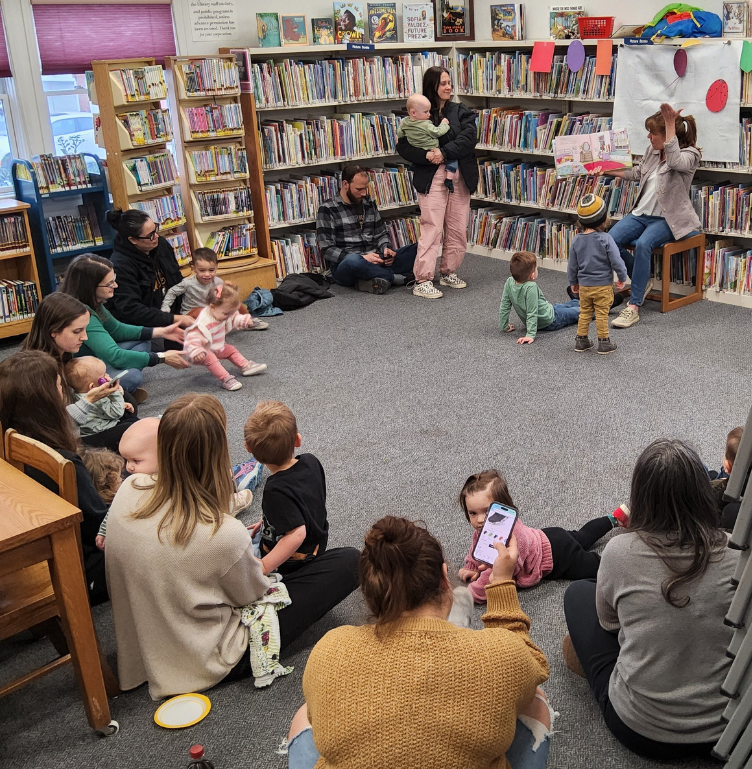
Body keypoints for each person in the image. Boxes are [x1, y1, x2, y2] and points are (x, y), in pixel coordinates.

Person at [105, 393, 360, 700]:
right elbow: (252, 593)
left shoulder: (129, 489)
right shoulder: (222, 533)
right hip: (210, 656)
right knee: (348, 561)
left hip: (146, 638)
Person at [286, 516, 553, 769]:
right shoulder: (497, 655)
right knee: (533, 698)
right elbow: (532, 664)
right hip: (485, 653)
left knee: (307, 712)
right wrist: (502, 583)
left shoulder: (331, 649)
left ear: (368, 592)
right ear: (443, 576)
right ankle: (452, 626)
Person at [563, 439, 738, 760]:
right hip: (729, 729)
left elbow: (609, 623)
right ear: (703, 492)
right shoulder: (735, 551)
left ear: (640, 497)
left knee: (578, 593)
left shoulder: (619, 552)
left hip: (642, 731)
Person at [0, 350, 108, 604]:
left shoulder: (12, 442)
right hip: (82, 565)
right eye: (60, 385)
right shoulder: (63, 462)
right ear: (48, 398)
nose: (64, 391)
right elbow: (99, 525)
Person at [458, 470, 626, 603]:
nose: (479, 520)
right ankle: (616, 518)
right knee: (582, 536)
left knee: (596, 567)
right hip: (548, 535)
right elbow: (477, 547)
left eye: (487, 511)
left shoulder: (515, 538)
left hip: (558, 555)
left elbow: (498, 573)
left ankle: (626, 563)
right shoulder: (485, 528)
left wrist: (470, 594)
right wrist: (471, 567)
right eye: (473, 513)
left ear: (505, 507)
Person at [604, 103, 701, 329]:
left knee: (645, 243)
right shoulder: (652, 151)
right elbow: (638, 173)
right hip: (641, 214)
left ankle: (634, 306)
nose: (649, 137)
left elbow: (675, 161)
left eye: (653, 133)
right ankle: (641, 278)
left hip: (668, 219)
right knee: (610, 239)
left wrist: (669, 126)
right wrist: (607, 169)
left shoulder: (691, 155)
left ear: (667, 134)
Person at [23, 292, 141, 453]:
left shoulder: (63, 353)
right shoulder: (39, 370)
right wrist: (91, 398)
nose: (84, 337)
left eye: (85, 329)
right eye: (77, 331)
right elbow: (58, 426)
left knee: (128, 403)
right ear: (54, 331)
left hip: (81, 418)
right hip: (64, 437)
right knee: (134, 428)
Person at [396, 66, 478, 299]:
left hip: (459, 175)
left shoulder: (461, 110)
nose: (448, 87)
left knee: (457, 226)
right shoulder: (418, 112)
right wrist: (427, 156)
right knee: (432, 227)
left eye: (450, 82)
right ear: (432, 85)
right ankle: (422, 279)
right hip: (432, 176)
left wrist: (443, 151)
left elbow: (469, 138)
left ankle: (448, 271)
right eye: (443, 83)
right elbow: (403, 146)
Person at [59, 254, 189, 395]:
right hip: (83, 371)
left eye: (113, 280)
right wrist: (161, 357)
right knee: (132, 377)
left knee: (144, 343)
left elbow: (117, 329)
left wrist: (161, 332)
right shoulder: (83, 315)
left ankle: (119, 381)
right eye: (109, 283)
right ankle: (112, 392)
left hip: (99, 357)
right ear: (91, 287)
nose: (115, 285)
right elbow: (114, 355)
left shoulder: (92, 301)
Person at [244, 401, 329, 574]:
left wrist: (265, 565)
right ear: (298, 440)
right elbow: (303, 500)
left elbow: (297, 534)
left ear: (248, 449)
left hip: (295, 559)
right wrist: (269, 519)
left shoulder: (275, 490)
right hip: (318, 542)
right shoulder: (310, 461)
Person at [315, 164, 417, 294]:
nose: (364, 193)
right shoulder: (328, 209)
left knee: (419, 248)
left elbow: (381, 233)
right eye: (359, 189)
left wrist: (386, 248)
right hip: (348, 264)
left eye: (365, 188)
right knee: (354, 261)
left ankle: (373, 278)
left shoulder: (369, 203)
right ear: (345, 184)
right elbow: (327, 249)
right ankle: (396, 278)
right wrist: (363, 257)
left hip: (376, 258)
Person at [105, 208, 193, 329]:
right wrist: (174, 319)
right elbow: (132, 310)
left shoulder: (160, 244)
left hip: (173, 311)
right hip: (146, 326)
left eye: (155, 229)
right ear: (133, 240)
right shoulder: (120, 266)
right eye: (150, 235)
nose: (156, 236)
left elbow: (176, 279)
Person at [567, 194, 628, 355]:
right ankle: (604, 342)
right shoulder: (606, 239)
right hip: (602, 286)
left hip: (585, 287)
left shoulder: (576, 240)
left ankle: (581, 340)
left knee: (585, 312)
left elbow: (572, 265)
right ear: (603, 219)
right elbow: (617, 261)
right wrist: (622, 277)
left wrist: (573, 281)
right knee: (602, 313)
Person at [184, 281, 267, 391]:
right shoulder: (204, 322)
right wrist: (196, 351)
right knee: (210, 357)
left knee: (231, 349)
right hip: (199, 352)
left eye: (231, 313)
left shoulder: (224, 313)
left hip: (216, 346)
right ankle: (226, 379)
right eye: (226, 314)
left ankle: (246, 366)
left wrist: (245, 321)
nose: (228, 316)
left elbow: (234, 318)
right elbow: (192, 338)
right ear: (212, 307)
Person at [160, 247, 262, 322]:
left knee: (238, 304)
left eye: (211, 270)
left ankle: (249, 321)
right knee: (202, 311)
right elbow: (172, 292)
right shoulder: (188, 283)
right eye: (202, 270)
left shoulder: (217, 281)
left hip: (212, 310)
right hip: (191, 314)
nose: (207, 274)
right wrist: (165, 307)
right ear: (193, 268)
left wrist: (229, 290)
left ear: (217, 267)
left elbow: (223, 297)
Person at [499, 251, 581, 344]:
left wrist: (504, 325)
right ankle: (595, 308)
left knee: (566, 305)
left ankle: (580, 300)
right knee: (578, 312)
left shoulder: (510, 282)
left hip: (549, 310)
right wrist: (530, 335)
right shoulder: (531, 287)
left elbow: (504, 305)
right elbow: (532, 312)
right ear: (532, 275)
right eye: (536, 268)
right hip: (550, 320)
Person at [63, 356, 137, 438]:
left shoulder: (77, 393)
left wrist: (121, 404)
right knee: (132, 424)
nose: (108, 376)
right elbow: (117, 413)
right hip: (102, 430)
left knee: (131, 415)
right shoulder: (96, 400)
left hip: (98, 423)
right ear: (92, 387)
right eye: (104, 375)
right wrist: (115, 392)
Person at [397, 94, 456, 191]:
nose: (429, 114)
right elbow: (437, 132)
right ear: (413, 112)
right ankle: (449, 178)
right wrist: (444, 124)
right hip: (432, 148)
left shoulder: (404, 122)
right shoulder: (426, 125)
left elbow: (400, 133)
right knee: (453, 160)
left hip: (417, 149)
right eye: (426, 112)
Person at [711, 426, 746, 530]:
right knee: (712, 473)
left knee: (711, 476)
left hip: (723, 509)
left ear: (728, 466)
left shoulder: (723, 494)